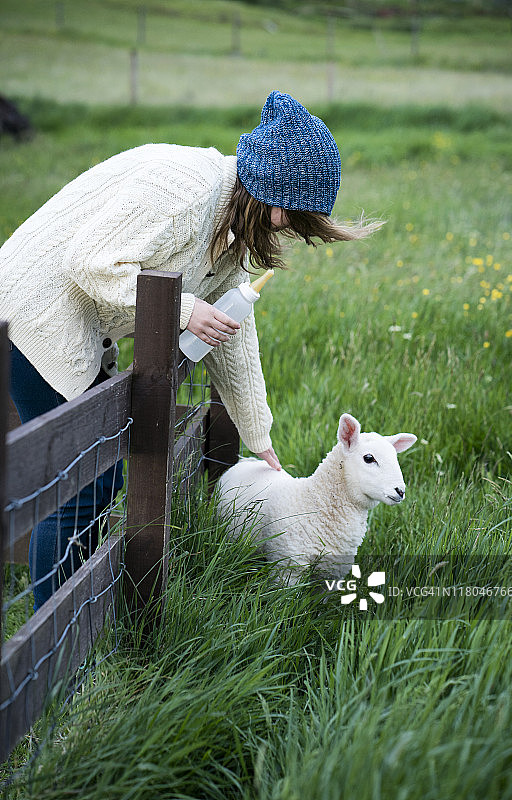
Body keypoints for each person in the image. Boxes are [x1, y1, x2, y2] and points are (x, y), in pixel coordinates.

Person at [0, 90, 378, 609]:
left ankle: (64, 619)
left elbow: (233, 330)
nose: (286, 227)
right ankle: (54, 645)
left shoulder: (230, 226)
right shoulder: (181, 192)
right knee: (83, 483)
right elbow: (90, 265)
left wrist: (258, 437)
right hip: (35, 313)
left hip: (73, 322)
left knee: (92, 477)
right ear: (267, 193)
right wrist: (183, 310)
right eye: (289, 214)